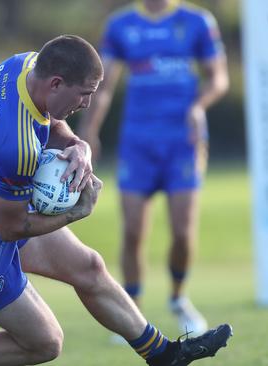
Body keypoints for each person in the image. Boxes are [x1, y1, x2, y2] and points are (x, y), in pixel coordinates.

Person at [0, 35, 231, 366]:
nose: (86, 104)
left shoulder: (23, 65)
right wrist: (77, 212)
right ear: (56, 83)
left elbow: (49, 119)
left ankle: (165, 355)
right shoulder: (16, 146)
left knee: (89, 267)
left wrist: (79, 144)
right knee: (45, 343)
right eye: (85, 94)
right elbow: (13, 228)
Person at [77, 0, 229, 336]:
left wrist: (198, 106)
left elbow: (219, 78)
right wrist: (88, 133)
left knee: (183, 232)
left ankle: (178, 298)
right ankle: (132, 313)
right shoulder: (120, 25)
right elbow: (103, 86)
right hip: (138, 143)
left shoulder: (197, 21)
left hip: (183, 143)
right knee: (132, 232)